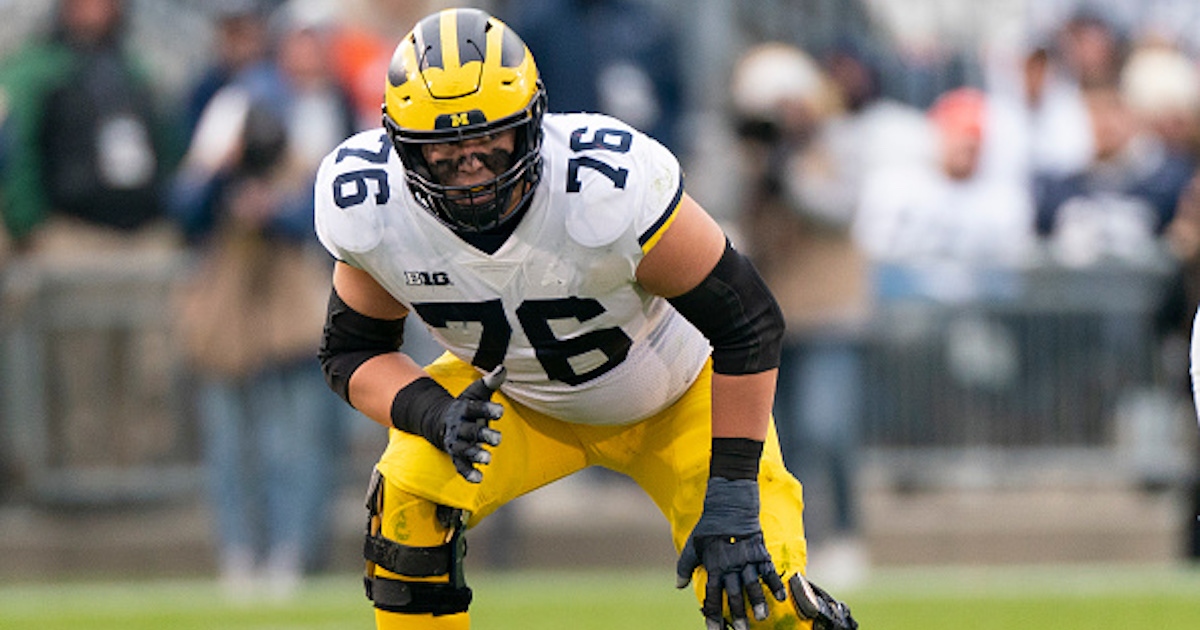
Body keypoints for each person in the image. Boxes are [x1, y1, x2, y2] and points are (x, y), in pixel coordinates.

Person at [314, 8, 856, 630]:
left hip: (677, 397)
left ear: (532, 123)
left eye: (489, 138)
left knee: (762, 601)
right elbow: (351, 352)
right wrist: (433, 412)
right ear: (400, 145)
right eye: (442, 148)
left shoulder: (605, 184)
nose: (470, 166)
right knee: (408, 505)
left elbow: (749, 320)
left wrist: (731, 492)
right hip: (514, 401)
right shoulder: (375, 204)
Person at [171, 3, 355, 599]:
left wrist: (276, 209)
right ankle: (241, 552)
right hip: (234, 290)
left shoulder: (339, 103)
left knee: (299, 437)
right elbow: (187, 204)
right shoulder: (243, 99)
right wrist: (226, 182)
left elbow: (340, 213)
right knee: (234, 437)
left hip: (302, 288)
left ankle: (292, 552)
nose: (309, 51)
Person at [729, 42, 872, 589]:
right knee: (778, 441)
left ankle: (846, 533)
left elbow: (840, 207)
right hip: (771, 318)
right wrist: (759, 172)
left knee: (827, 426)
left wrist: (789, 175)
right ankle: (794, 541)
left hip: (831, 311)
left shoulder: (836, 143)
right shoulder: (754, 156)